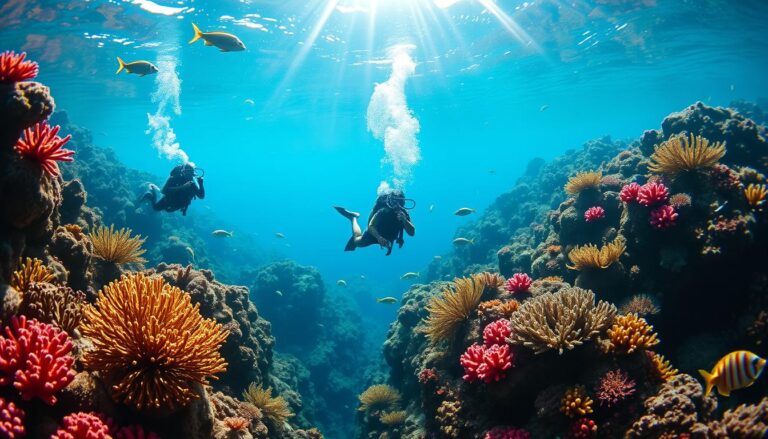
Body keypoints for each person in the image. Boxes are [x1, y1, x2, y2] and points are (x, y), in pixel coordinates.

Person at [334, 189, 416, 255]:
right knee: (357, 242)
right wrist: (379, 237)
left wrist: (405, 220)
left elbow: (412, 233)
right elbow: (371, 226)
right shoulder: (383, 211)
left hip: (388, 237)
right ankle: (353, 217)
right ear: (390, 201)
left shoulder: (404, 213)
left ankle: (354, 218)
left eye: (401, 203)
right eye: (395, 202)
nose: (397, 206)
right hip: (374, 233)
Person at [140, 163, 205, 216]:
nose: (189, 177)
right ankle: (151, 193)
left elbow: (201, 196)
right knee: (156, 208)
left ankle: (153, 192)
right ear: (183, 172)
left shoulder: (193, 183)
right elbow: (164, 191)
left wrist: (201, 184)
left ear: (193, 174)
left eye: (191, 174)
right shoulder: (175, 178)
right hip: (169, 199)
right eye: (188, 174)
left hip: (179, 203)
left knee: (168, 211)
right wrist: (183, 187)